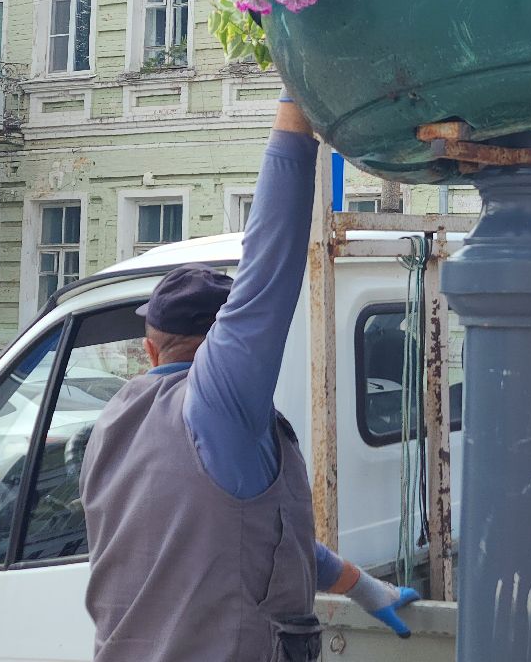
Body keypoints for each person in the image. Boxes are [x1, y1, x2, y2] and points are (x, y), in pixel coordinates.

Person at [81, 96, 418, 661]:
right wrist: (295, 111)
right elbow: (269, 266)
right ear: (223, 348)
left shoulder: (114, 419)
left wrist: (361, 587)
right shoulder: (216, 406)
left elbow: (251, 540)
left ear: (147, 348)